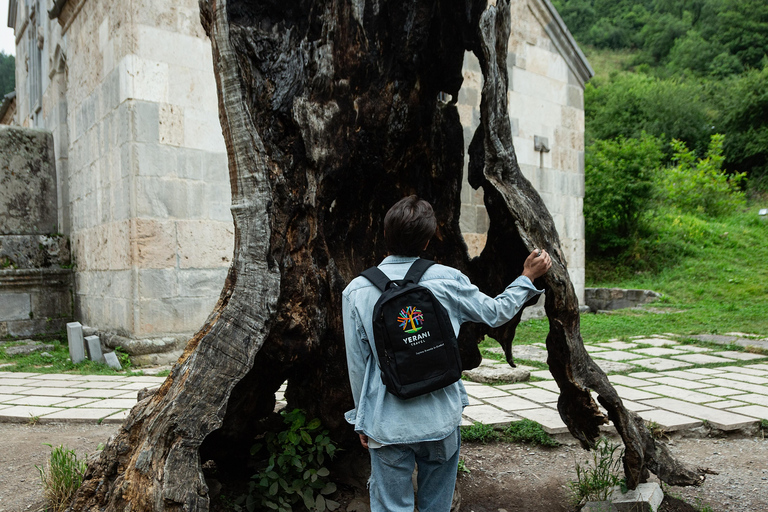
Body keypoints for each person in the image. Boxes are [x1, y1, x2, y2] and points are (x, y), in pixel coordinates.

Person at [342, 195, 552, 512]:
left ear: (384, 234)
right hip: (440, 417)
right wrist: (526, 277)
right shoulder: (447, 279)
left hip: (386, 422)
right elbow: (495, 313)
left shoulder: (356, 290)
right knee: (436, 504)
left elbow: (358, 364)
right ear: (427, 240)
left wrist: (361, 419)